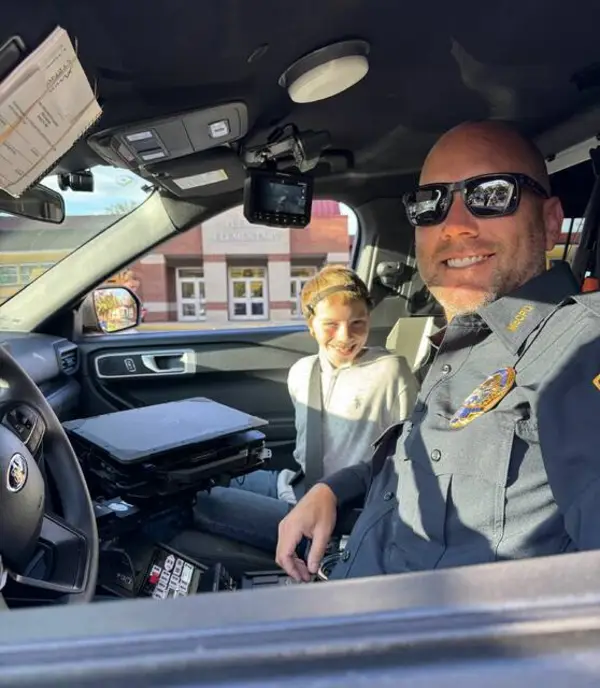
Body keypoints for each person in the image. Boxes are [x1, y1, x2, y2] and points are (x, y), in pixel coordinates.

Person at [276, 119, 600, 582]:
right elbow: (420, 459)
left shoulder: (580, 347)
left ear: (550, 222)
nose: (454, 226)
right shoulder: (467, 341)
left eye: (492, 194)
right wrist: (332, 489)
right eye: (431, 204)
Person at [193, 265, 419, 553]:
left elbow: (410, 451)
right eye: (331, 324)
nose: (345, 335)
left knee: (204, 503)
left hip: (344, 509)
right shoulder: (301, 372)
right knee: (203, 482)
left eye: (357, 323)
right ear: (311, 325)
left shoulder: (390, 372)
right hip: (296, 485)